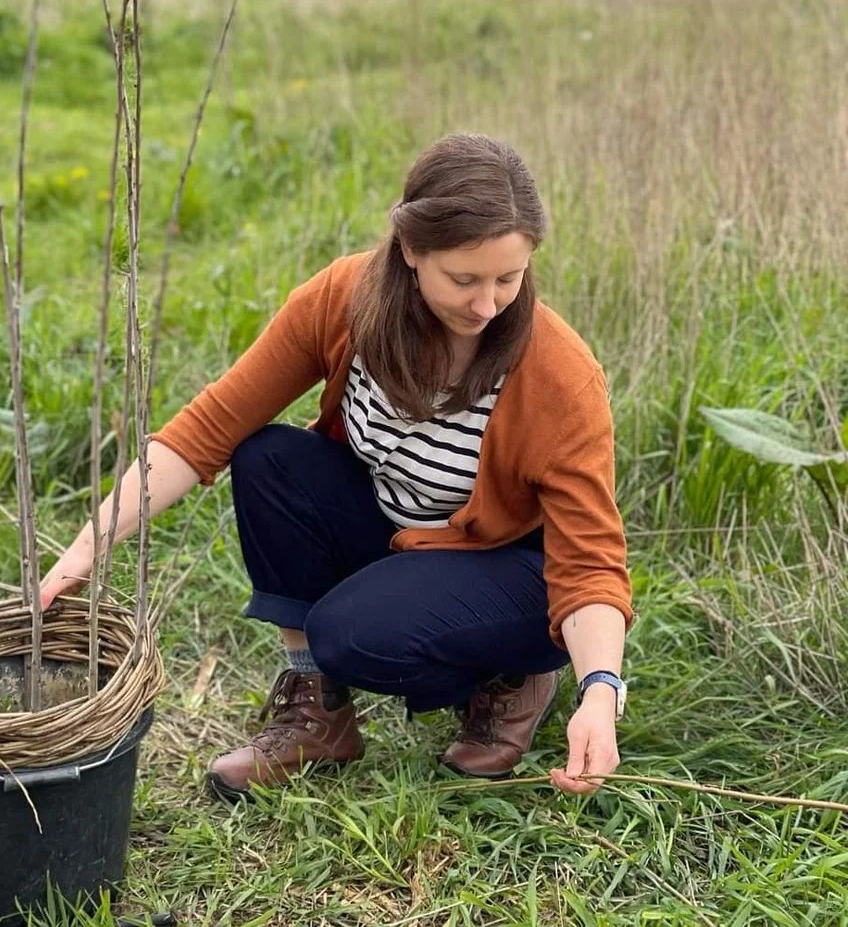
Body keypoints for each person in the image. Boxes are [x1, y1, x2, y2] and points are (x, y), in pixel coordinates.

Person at [41, 134, 632, 802]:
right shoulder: (345, 300)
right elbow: (208, 428)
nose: (487, 304)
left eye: (509, 277)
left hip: (517, 576)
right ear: (411, 250)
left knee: (353, 635)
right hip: (405, 534)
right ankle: (317, 715)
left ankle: (513, 675)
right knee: (268, 458)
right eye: (463, 279)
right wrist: (90, 546)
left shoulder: (559, 376)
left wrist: (601, 692)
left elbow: (590, 565)